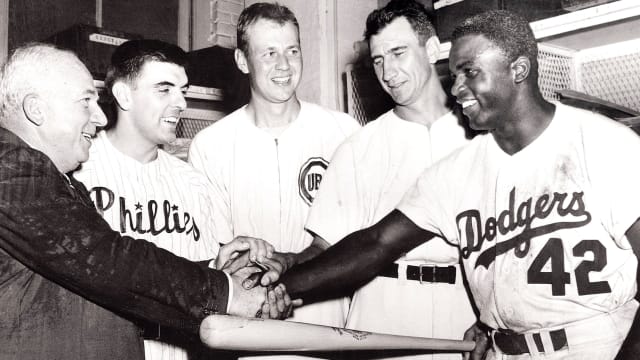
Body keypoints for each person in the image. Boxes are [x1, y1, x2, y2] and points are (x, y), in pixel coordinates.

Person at [279, 10, 640, 360]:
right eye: (453, 76)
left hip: (596, 343)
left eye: (470, 72)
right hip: (505, 348)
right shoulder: (455, 171)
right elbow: (376, 243)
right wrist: (275, 287)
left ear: (518, 69)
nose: (457, 89)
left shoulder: (605, 144)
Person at [0, 43, 288, 360]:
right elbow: (107, 259)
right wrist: (226, 293)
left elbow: (91, 278)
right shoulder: (11, 171)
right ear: (36, 109)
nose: (98, 116)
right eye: (85, 102)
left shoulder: (52, 176)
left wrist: (216, 272)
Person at [73, 39, 274, 360]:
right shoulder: (79, 171)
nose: (181, 102)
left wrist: (225, 267)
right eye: (164, 90)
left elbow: (203, 283)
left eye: (183, 90)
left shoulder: (193, 183)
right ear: (124, 95)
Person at [303, 1, 476, 359]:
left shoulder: (478, 135)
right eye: (378, 60)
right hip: (384, 309)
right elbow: (325, 249)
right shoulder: (359, 147)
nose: (388, 71)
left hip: (466, 307)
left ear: (431, 49)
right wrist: (283, 267)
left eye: (398, 53)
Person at [188, 2, 360, 357]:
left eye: (292, 51)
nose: (284, 66)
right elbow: (218, 252)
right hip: (249, 331)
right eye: (269, 53)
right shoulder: (212, 145)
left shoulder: (342, 132)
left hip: (329, 327)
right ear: (241, 60)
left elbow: (356, 240)